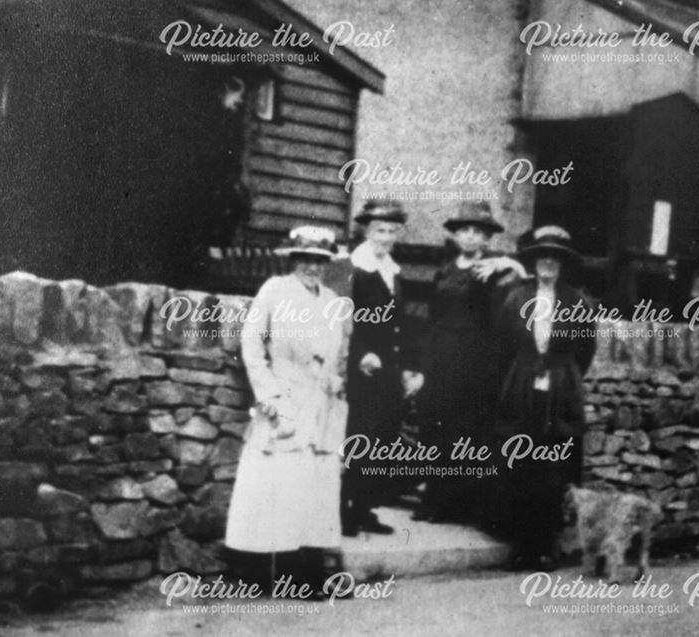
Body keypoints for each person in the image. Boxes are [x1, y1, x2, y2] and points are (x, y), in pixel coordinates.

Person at [225, 226, 348, 597]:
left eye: (320, 261)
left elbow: (333, 352)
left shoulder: (331, 298)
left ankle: (310, 571)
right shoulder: (275, 290)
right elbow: (251, 345)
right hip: (284, 398)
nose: (313, 267)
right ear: (293, 260)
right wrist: (270, 396)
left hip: (319, 403)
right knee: (279, 485)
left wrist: (334, 380)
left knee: (315, 485)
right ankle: (274, 572)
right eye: (306, 259)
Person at [413, 201, 525, 523]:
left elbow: (524, 278)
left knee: (465, 432)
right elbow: (432, 318)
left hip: (474, 360)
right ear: (456, 235)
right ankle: (432, 498)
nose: (471, 237)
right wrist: (422, 365)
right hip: (441, 357)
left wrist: (505, 262)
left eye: (478, 232)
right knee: (434, 426)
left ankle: (455, 504)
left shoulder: (493, 270)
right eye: (465, 230)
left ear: (487, 238)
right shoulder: (444, 271)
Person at [494, 225, 596, 571]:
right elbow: (504, 345)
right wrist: (524, 371)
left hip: (560, 394)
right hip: (522, 390)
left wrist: (560, 374)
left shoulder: (578, 302)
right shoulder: (515, 297)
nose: (548, 263)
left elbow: (585, 351)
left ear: (563, 264)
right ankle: (521, 547)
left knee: (552, 472)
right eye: (542, 257)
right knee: (520, 465)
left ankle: (544, 547)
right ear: (534, 262)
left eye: (555, 258)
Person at [341, 199, 424, 536]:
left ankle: (365, 509)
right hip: (360, 370)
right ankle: (344, 512)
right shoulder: (349, 267)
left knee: (381, 441)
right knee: (359, 439)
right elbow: (339, 320)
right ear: (365, 230)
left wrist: (408, 368)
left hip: (388, 372)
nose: (385, 237)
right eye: (379, 230)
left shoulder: (393, 271)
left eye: (391, 231)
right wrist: (359, 354)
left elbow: (400, 325)